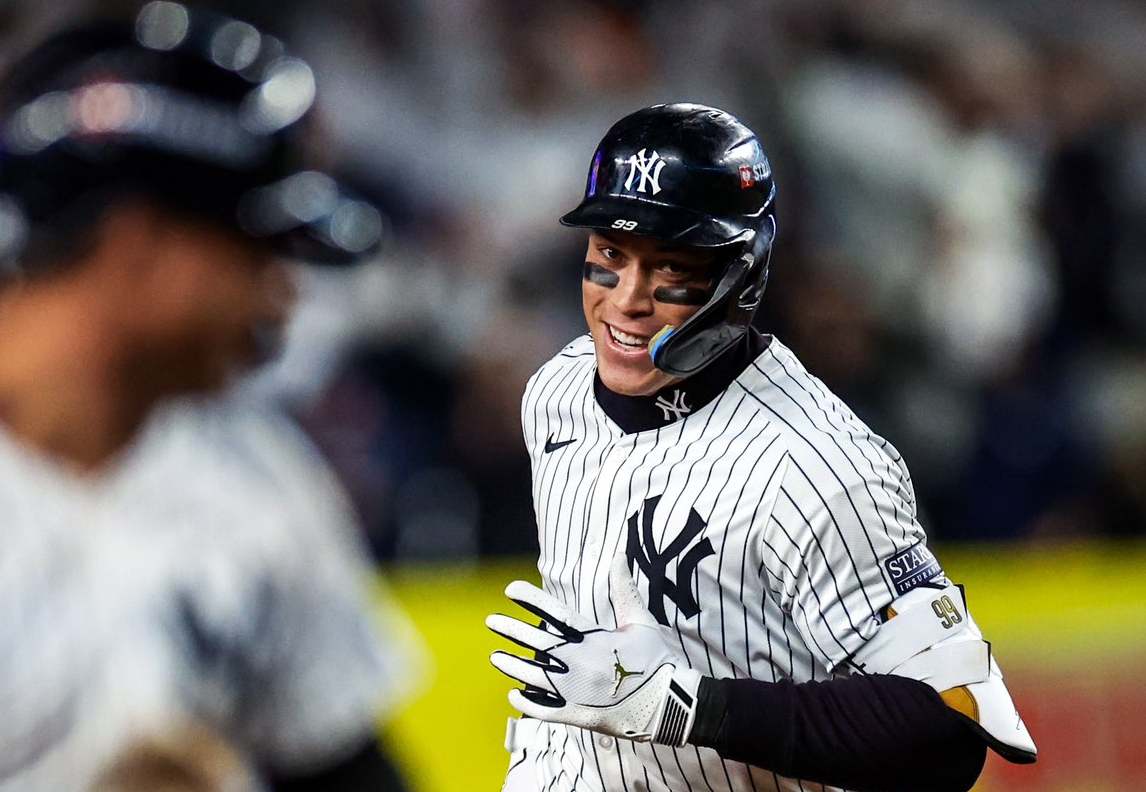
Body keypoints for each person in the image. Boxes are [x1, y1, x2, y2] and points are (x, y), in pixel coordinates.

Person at [486, 103, 1037, 792]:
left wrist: (684, 706)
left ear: (741, 274)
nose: (626, 301)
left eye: (670, 269)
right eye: (610, 257)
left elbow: (949, 728)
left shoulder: (818, 466)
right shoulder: (558, 391)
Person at [0, 3, 412, 789]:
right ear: (139, 245)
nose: (283, 296)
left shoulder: (260, 485)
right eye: (256, 250)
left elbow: (349, 772)